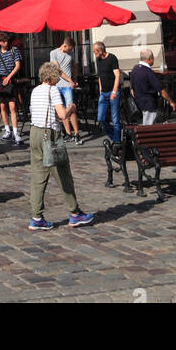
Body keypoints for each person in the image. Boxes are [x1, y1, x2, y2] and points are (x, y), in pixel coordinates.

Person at [28, 62, 93, 231]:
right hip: (50, 135)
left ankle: (36, 216)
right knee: (63, 173)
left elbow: (41, 113)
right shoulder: (53, 90)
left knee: (38, 176)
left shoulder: (35, 91)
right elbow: (62, 114)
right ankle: (74, 213)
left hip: (34, 133)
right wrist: (71, 107)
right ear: (52, 77)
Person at [0, 33, 23, 146]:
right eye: (3, 41)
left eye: (7, 41)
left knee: (12, 107)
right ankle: (7, 130)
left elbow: (17, 65)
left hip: (10, 81)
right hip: (1, 81)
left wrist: (9, 77)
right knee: (2, 106)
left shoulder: (14, 50)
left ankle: (15, 132)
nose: (6, 43)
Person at [130, 48, 176, 125]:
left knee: (147, 125)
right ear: (149, 59)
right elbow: (161, 90)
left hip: (140, 103)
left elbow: (132, 89)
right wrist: (171, 101)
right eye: (153, 58)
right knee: (148, 128)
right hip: (149, 104)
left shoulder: (135, 69)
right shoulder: (148, 72)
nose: (153, 60)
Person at [49, 36, 81, 142]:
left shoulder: (71, 54)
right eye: (70, 49)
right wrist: (70, 80)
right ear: (65, 45)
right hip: (57, 85)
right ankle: (68, 133)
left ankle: (76, 133)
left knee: (71, 109)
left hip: (67, 86)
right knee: (62, 111)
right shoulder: (53, 53)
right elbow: (58, 70)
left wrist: (75, 78)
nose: (71, 51)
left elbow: (74, 66)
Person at [93, 41, 121, 143]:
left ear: (101, 51)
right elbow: (100, 75)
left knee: (115, 119)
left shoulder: (112, 58)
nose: (94, 53)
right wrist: (100, 89)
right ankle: (113, 135)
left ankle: (117, 141)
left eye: (95, 51)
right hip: (103, 93)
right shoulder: (98, 59)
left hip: (113, 92)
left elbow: (117, 76)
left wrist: (114, 92)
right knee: (100, 118)